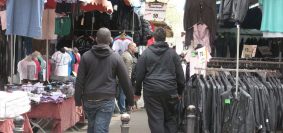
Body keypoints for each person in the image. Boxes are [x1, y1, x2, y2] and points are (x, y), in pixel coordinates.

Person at [75, 27, 134, 133]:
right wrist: (130, 100)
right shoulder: (115, 57)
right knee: (100, 129)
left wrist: (77, 102)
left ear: (96, 39)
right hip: (106, 99)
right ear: (110, 40)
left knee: (92, 128)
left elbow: (79, 81)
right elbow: (125, 81)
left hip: (89, 99)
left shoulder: (86, 56)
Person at [135, 27, 185, 133]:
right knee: (171, 119)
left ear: (154, 38)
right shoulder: (173, 54)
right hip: (170, 90)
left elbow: (139, 75)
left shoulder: (146, 54)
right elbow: (181, 76)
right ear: (165, 38)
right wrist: (180, 92)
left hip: (152, 91)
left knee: (156, 120)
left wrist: (137, 92)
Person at [120, 42, 138, 111]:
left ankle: (125, 107)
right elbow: (128, 70)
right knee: (123, 93)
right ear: (130, 47)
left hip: (126, 78)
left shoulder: (128, 55)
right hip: (125, 78)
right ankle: (123, 109)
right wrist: (128, 80)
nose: (135, 48)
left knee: (124, 93)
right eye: (134, 47)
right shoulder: (128, 56)